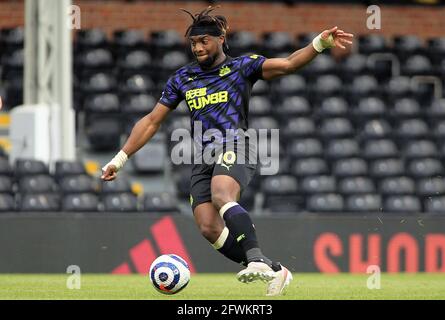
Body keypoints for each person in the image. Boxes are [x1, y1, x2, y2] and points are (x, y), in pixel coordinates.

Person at [101, 6, 353, 296]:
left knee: (222, 193)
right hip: (202, 157)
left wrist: (319, 43)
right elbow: (151, 120)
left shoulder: (242, 67)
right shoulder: (182, 78)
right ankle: (275, 270)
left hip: (236, 145)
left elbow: (288, 64)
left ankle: (255, 259)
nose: (197, 48)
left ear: (221, 39)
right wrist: (120, 159)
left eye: (204, 41)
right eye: (193, 43)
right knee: (208, 226)